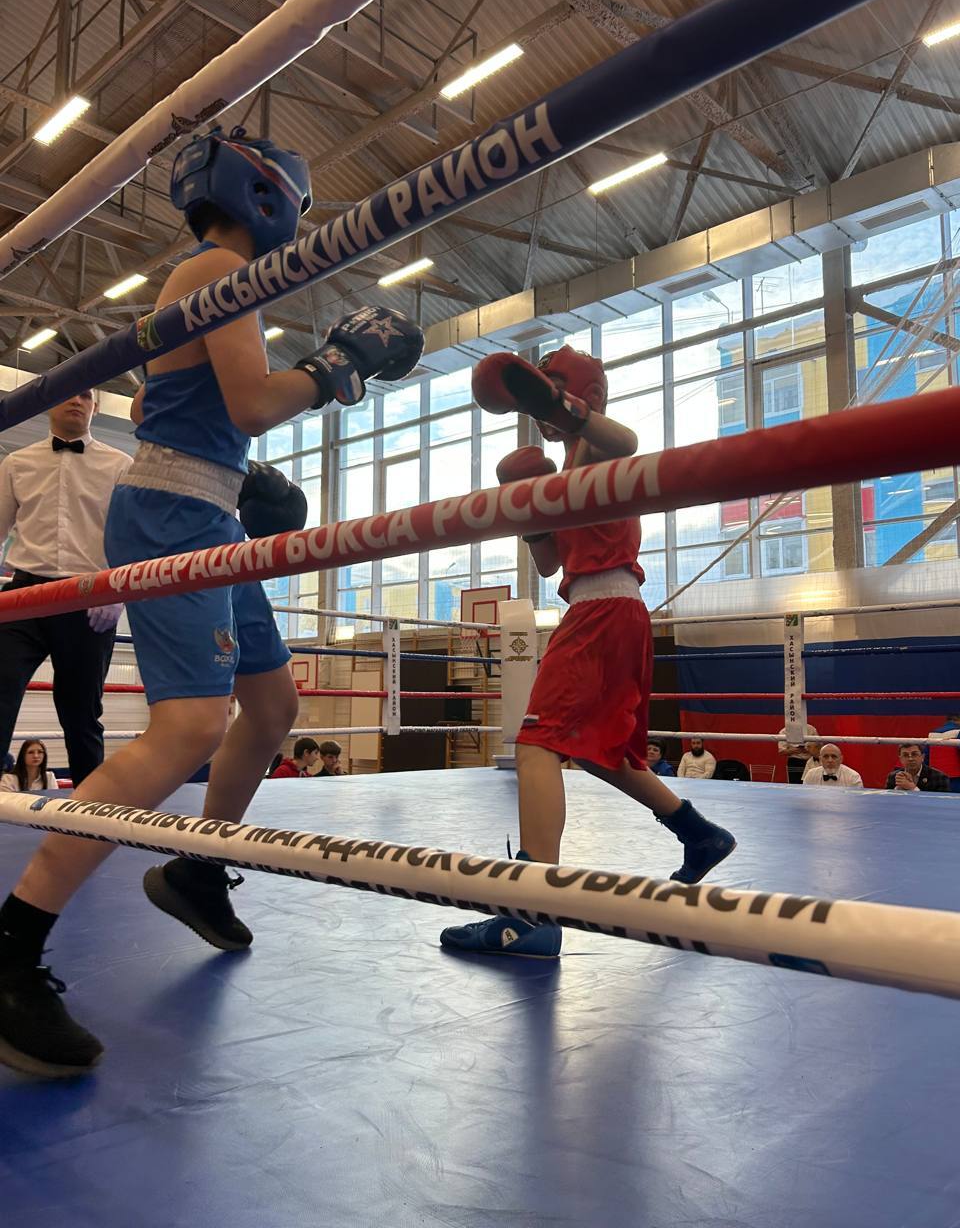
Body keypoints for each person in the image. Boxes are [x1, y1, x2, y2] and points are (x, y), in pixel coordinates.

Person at [0, 124, 423, 1078]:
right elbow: (251, 405)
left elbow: (190, 412)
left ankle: (197, 865)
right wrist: (336, 365)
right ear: (269, 200)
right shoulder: (215, 272)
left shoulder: (211, 278)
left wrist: (302, 390)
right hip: (173, 514)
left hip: (206, 512)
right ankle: (13, 945)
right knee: (190, 725)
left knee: (271, 707)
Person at [440, 346, 735, 960]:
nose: (538, 413)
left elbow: (627, 440)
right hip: (602, 608)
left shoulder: (596, 446)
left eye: (544, 396)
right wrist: (529, 506)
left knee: (535, 744)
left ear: (579, 396)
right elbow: (551, 563)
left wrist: (560, 407)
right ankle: (699, 834)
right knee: (599, 751)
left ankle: (533, 910)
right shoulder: (565, 466)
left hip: (605, 608)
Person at [0, 389, 131, 786]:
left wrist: (118, 592)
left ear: (96, 407)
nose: (76, 400)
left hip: (90, 595)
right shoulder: (16, 462)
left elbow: (131, 537)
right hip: (23, 595)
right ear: (49, 403)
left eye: (85, 395)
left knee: (81, 713)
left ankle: (91, 808)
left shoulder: (120, 464)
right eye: (68, 393)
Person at [885, 743, 951, 793]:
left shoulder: (939, 777)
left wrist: (913, 788)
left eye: (914, 754)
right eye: (905, 755)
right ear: (900, 759)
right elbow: (889, 801)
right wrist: (897, 789)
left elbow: (942, 803)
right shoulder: (893, 777)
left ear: (922, 757)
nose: (910, 759)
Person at [927, 712, 960, 794]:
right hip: (955, 779)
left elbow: (926, 757)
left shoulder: (932, 734)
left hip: (935, 778)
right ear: (958, 720)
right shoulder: (958, 731)